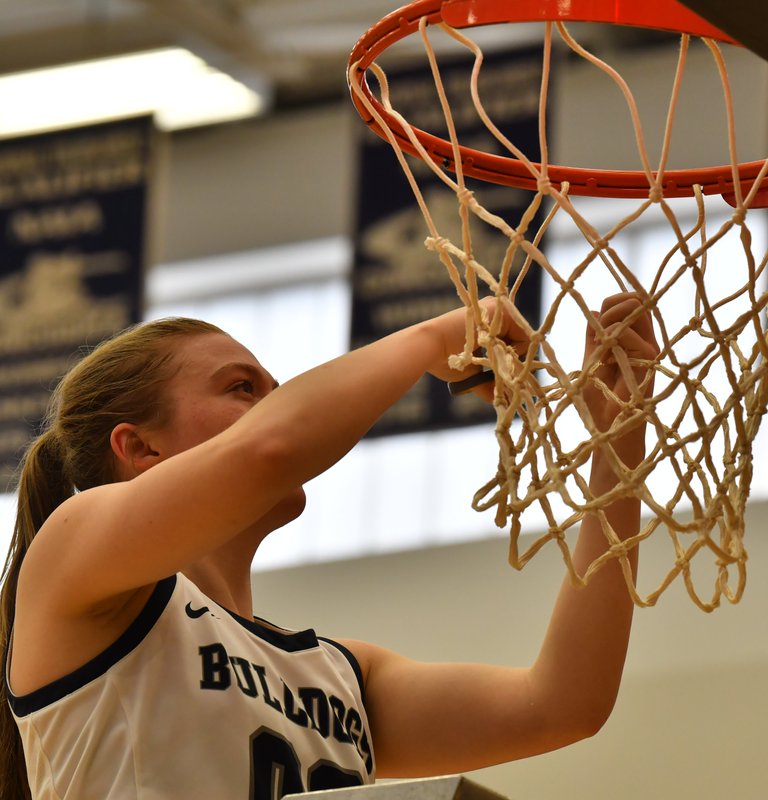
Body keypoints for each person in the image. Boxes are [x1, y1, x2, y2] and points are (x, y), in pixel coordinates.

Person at [0, 292, 658, 800]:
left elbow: (563, 704)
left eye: (279, 394)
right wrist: (435, 336)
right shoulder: (75, 555)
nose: (276, 407)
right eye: (241, 388)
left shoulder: (342, 673)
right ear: (141, 447)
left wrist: (619, 444)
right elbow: (272, 447)